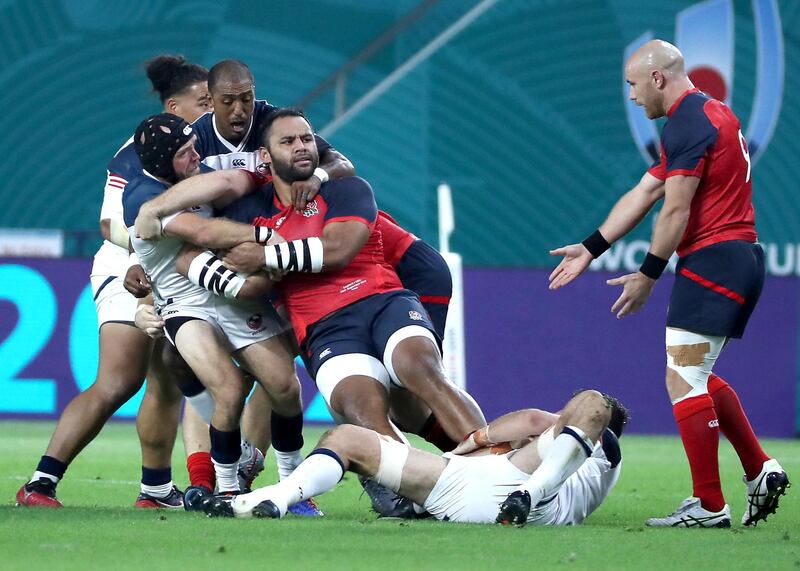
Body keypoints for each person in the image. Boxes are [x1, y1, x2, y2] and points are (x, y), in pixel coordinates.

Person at [134, 108, 486, 453]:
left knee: (417, 374)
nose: (301, 146)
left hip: (388, 294)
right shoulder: (246, 203)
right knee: (360, 406)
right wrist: (149, 281)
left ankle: (495, 462)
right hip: (323, 325)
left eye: (306, 139)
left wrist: (266, 254)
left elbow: (338, 250)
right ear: (264, 157)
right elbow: (191, 249)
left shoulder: (343, 188)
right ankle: (422, 484)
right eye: (288, 141)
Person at [548, 40, 789, 528]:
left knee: (682, 379)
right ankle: (759, 468)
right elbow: (647, 190)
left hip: (714, 260)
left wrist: (648, 274)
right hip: (739, 257)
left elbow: (675, 209)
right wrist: (592, 246)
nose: (633, 98)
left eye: (634, 86)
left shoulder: (687, 123)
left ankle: (708, 505)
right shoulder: (711, 113)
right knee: (696, 376)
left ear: (658, 78)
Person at [16, 55, 212, 509]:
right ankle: (41, 484)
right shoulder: (140, 148)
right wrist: (159, 238)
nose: (211, 109)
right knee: (118, 381)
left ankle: (156, 490)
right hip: (126, 268)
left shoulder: (203, 146)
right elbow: (110, 223)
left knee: (166, 379)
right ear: (173, 107)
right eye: (201, 102)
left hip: (170, 275)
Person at [122, 113, 307, 507]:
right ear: (160, 163)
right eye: (185, 153)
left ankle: (295, 489)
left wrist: (300, 174)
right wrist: (266, 237)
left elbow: (232, 181)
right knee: (228, 388)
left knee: (286, 387)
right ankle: (227, 488)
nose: (196, 157)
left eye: (194, 148)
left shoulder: (195, 177)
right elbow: (203, 233)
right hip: (184, 304)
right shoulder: (142, 197)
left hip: (231, 296)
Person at [201, 389, 625, 526]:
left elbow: (536, 417)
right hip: (467, 487)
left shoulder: (603, 448)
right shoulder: (572, 453)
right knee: (348, 438)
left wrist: (474, 438)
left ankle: (527, 495)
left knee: (593, 398)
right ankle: (276, 497)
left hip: (532, 497)